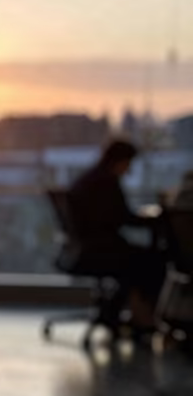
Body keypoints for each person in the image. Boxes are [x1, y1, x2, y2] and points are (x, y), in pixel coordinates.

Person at [67, 139, 166, 328]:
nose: (128, 170)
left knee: (140, 261)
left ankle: (122, 313)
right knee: (154, 262)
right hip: (101, 251)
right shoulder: (106, 182)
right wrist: (158, 220)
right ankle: (142, 319)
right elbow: (122, 218)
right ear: (120, 160)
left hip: (88, 248)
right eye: (128, 163)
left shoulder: (92, 179)